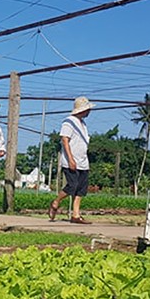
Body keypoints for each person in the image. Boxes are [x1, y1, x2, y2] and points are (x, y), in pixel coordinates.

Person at [49, 96, 95, 224]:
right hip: (71, 160)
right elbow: (65, 140)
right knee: (72, 185)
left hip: (83, 160)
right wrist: (70, 159)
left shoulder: (83, 124)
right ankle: (56, 201)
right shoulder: (68, 122)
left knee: (81, 188)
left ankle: (76, 214)